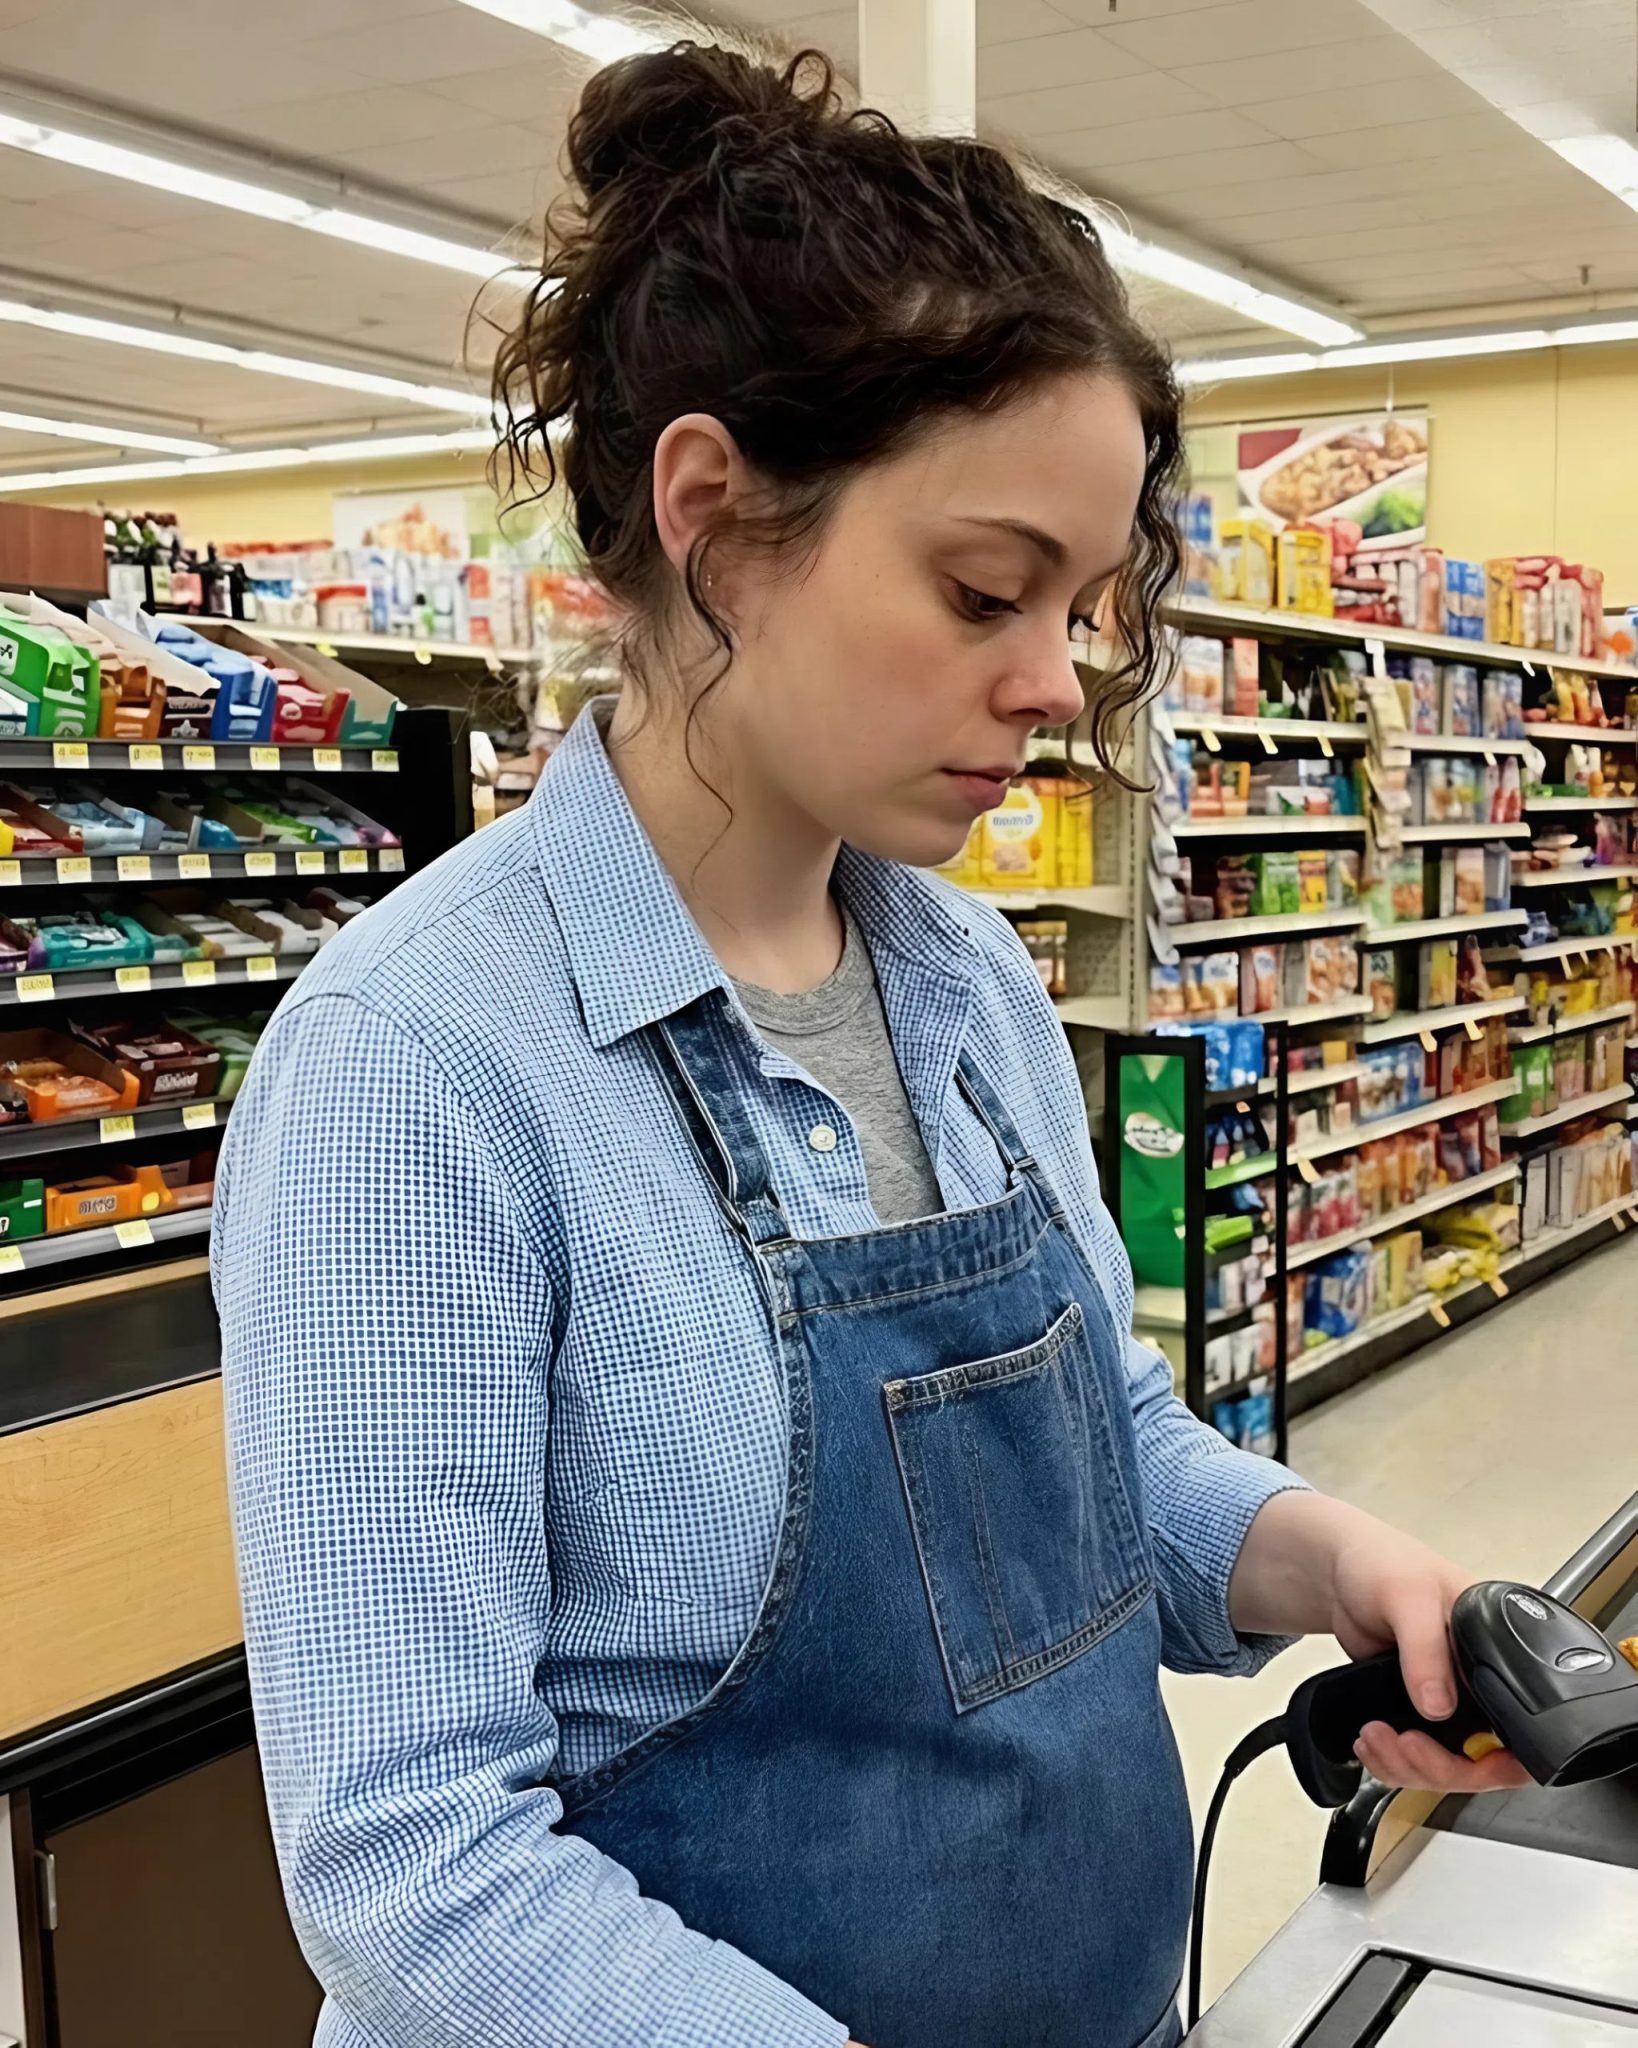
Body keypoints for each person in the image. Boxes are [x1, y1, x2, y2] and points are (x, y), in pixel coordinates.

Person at [214, 40, 1528, 2048]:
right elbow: (409, 1861)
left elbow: (1097, 1461)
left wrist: (1326, 1559)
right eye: (987, 590)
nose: (1052, 682)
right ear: (716, 517)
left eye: (1084, 608)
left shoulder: (970, 979)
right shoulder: (420, 1070)